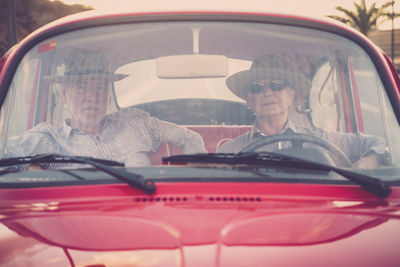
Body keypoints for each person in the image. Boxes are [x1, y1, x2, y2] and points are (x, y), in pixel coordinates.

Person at [7, 48, 206, 167]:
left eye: (100, 87)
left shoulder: (136, 123)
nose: (92, 96)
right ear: (65, 93)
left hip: (144, 214)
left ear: (109, 95)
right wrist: (32, 171)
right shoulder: (48, 138)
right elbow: (6, 155)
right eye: (82, 87)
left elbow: (190, 139)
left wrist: (195, 186)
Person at [217, 55, 388, 169]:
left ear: (291, 95)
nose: (268, 92)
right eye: (257, 87)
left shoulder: (321, 139)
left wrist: (368, 162)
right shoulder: (231, 150)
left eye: (277, 85)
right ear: (248, 101)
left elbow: (379, 144)